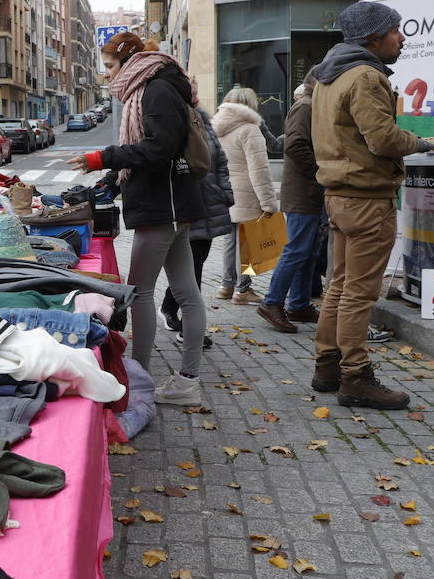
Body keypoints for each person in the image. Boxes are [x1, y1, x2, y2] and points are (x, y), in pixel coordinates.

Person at [68, 32, 207, 406]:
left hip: (164, 206)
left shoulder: (156, 89)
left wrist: (104, 158)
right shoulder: (157, 85)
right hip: (172, 205)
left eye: (110, 66)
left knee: (141, 292)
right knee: (186, 292)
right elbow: (148, 150)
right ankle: (185, 380)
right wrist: (111, 180)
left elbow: (157, 149)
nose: (107, 75)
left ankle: (140, 380)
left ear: (129, 60)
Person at [311, 0, 434, 410]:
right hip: (366, 198)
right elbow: (382, 139)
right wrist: (419, 143)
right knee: (358, 294)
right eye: (395, 30)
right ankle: (356, 377)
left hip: (341, 195)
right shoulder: (364, 75)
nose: (402, 38)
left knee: (341, 287)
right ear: (373, 37)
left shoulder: (329, 75)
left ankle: (327, 366)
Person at [160, 89, 233, 349]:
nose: (193, 92)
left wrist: (226, 194)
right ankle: (190, 328)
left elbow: (220, 160)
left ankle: (169, 307)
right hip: (188, 206)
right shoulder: (173, 121)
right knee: (193, 269)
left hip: (209, 203)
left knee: (196, 263)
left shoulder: (201, 119)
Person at [257, 75, 325, 333]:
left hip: (309, 192)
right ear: (318, 82)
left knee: (307, 251)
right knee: (297, 250)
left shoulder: (311, 104)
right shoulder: (305, 106)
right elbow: (295, 145)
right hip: (303, 192)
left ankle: (298, 304)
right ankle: (272, 302)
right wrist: (319, 172)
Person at [212, 86, 278, 303]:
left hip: (224, 192)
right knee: (248, 243)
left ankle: (226, 286)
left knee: (230, 241)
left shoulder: (216, 128)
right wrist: (269, 203)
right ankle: (243, 290)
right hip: (246, 194)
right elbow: (259, 171)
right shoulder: (250, 130)